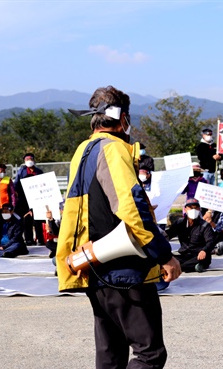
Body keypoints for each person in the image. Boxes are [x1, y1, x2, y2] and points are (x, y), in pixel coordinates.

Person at [60, 85, 181, 368]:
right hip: (123, 266)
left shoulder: (83, 149)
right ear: (123, 118)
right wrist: (164, 255)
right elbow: (131, 207)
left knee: (111, 354)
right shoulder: (113, 149)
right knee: (149, 354)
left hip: (94, 264)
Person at [165, 198, 215, 272]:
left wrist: (204, 250)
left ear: (199, 209)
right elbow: (168, 235)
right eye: (190, 208)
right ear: (185, 209)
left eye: (195, 208)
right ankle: (186, 266)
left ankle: (183, 266)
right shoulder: (179, 224)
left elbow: (210, 241)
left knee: (193, 262)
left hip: (199, 256)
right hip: (184, 255)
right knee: (165, 258)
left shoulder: (204, 225)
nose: (193, 210)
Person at [14, 153, 45, 246]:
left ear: (34, 160)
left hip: (37, 198)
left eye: (30, 159)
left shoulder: (39, 171)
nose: (29, 161)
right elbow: (16, 185)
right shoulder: (21, 171)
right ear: (24, 161)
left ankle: (40, 239)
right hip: (24, 199)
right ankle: (29, 240)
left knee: (38, 220)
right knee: (27, 220)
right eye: (27, 159)